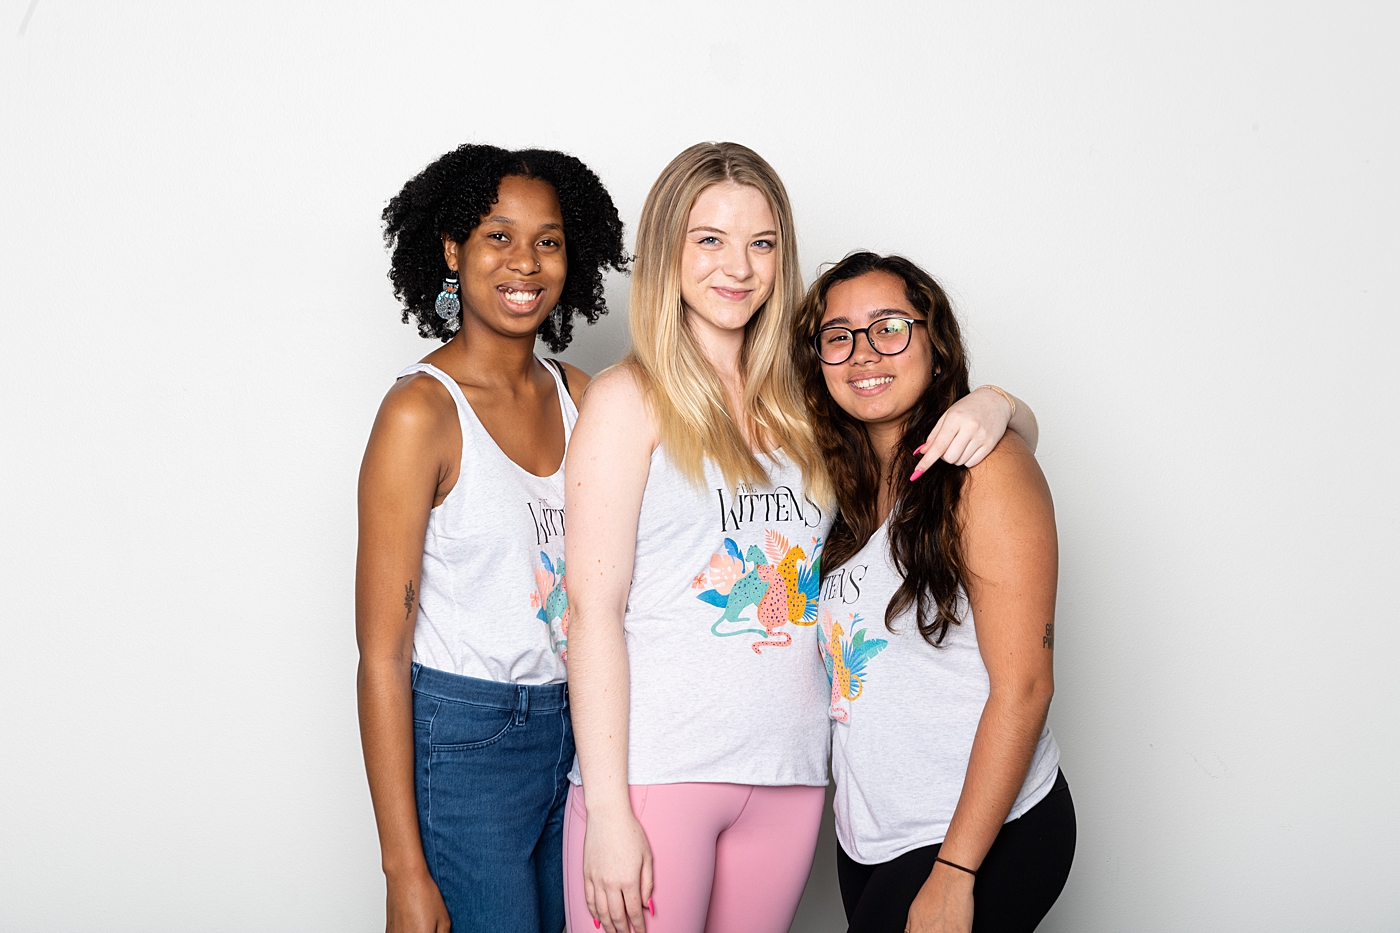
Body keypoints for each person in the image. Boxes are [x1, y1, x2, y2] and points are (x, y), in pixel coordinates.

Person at [562, 142, 1040, 933]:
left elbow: (937, 423)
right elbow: (591, 609)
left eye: (762, 242)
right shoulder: (627, 399)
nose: (738, 267)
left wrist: (999, 404)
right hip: (658, 773)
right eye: (710, 239)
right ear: (668, 251)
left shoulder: (807, 401)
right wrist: (609, 809)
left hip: (789, 781)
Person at [356, 143, 627, 933]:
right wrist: (402, 869)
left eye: (548, 241)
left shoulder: (582, 394)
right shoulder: (421, 413)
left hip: (582, 727)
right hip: (470, 742)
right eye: (498, 236)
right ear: (452, 250)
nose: (526, 262)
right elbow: (381, 655)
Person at [796, 252, 1076, 933]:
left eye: (889, 327)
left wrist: (956, 870)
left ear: (935, 340)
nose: (864, 352)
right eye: (838, 335)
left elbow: (1027, 686)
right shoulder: (841, 491)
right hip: (872, 839)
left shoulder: (986, 470)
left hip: (977, 835)